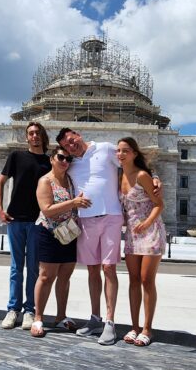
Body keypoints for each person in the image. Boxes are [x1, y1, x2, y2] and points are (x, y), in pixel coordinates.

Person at [56, 128, 160, 345]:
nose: (70, 145)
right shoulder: (71, 163)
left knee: (108, 268)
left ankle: (110, 322)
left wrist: (155, 177)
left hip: (112, 216)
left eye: (71, 140)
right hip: (85, 219)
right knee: (92, 269)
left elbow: (132, 160)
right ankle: (95, 318)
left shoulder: (104, 148)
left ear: (77, 133)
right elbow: (53, 173)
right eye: (66, 145)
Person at [29, 147, 91, 337]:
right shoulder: (45, 181)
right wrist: (73, 203)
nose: (65, 161)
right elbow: (47, 210)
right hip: (49, 232)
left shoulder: (71, 180)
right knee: (46, 276)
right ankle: (38, 318)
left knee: (65, 276)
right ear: (52, 159)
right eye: (61, 157)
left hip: (69, 233)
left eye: (68, 159)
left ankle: (61, 316)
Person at [0, 122, 51, 330]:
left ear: (43, 137)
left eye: (37, 133)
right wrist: (0, 209)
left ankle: (30, 310)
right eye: (31, 133)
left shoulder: (49, 162)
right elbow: (0, 182)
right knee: (16, 267)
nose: (34, 136)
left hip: (38, 221)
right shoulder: (16, 157)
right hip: (15, 218)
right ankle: (13, 309)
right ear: (27, 137)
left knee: (34, 269)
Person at [116, 137, 165, 347]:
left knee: (146, 280)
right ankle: (134, 327)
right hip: (132, 234)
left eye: (125, 150)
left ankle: (147, 328)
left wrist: (146, 223)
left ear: (135, 153)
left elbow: (159, 204)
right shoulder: (118, 175)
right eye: (118, 151)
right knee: (133, 280)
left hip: (150, 230)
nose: (120, 154)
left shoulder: (143, 175)